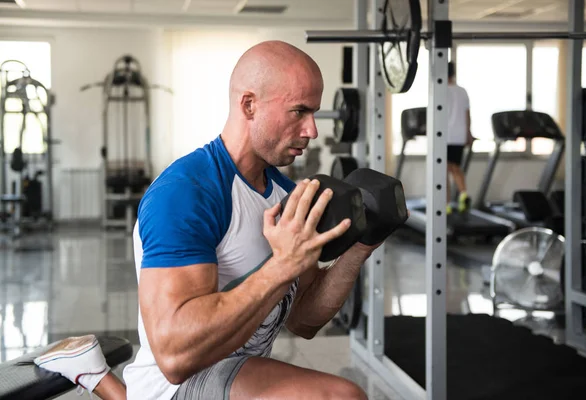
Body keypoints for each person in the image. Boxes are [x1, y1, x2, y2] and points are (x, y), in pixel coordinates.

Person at [34, 40, 381, 400]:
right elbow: (174, 358)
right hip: (178, 384)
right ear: (249, 104)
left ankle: (94, 373)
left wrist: (360, 248)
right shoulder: (185, 193)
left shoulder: (283, 193)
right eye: (299, 112)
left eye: (315, 113)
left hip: (233, 369)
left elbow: (303, 321)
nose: (312, 130)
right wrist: (282, 266)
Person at [446, 61, 473, 214]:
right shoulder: (462, 91)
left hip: (443, 137)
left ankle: (446, 205)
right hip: (459, 136)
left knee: (443, 172)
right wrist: (468, 134)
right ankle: (463, 194)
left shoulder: (439, 90)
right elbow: (467, 114)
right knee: (456, 168)